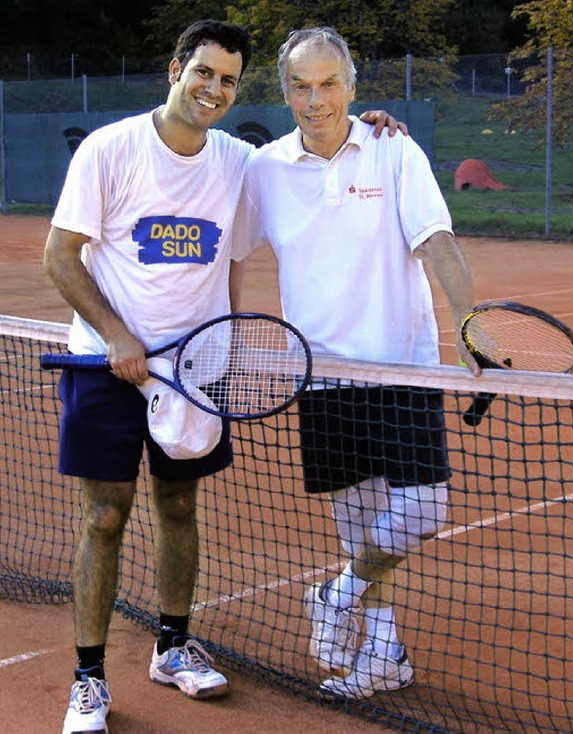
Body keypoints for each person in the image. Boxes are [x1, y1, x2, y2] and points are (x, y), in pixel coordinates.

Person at [44, 18, 406, 734]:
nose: (214, 88)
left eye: (228, 79)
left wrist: (364, 123)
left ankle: (173, 645)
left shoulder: (240, 162)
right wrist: (118, 336)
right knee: (104, 517)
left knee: (179, 508)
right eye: (203, 72)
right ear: (175, 70)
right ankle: (88, 680)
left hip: (194, 369)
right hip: (105, 365)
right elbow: (61, 255)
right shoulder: (111, 150)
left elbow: (311, 151)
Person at [232, 27, 481, 701]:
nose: (315, 100)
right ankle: (382, 654)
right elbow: (233, 250)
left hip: (401, 367)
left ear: (352, 82)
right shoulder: (264, 168)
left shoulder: (392, 148)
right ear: (284, 90)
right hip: (319, 373)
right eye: (300, 86)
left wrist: (468, 322)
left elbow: (437, 239)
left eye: (328, 84)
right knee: (361, 524)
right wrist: (231, 333)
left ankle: (333, 598)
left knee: (421, 507)